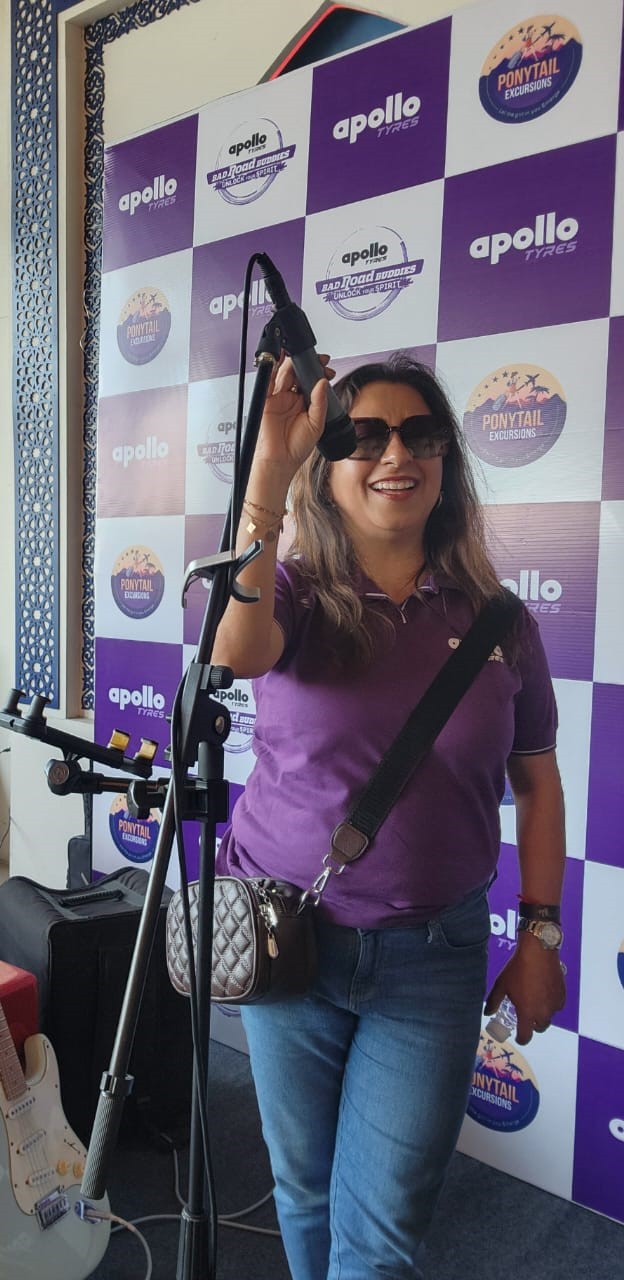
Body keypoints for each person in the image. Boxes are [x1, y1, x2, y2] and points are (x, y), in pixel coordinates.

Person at [212, 352, 567, 1280]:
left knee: (380, 1240)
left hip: (432, 960)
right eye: (363, 437)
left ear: (446, 460)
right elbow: (235, 650)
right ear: (327, 468)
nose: (395, 454)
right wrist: (267, 476)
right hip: (287, 941)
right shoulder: (291, 592)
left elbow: (538, 785)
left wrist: (541, 934)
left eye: (420, 434)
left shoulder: (501, 623)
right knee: (304, 1191)